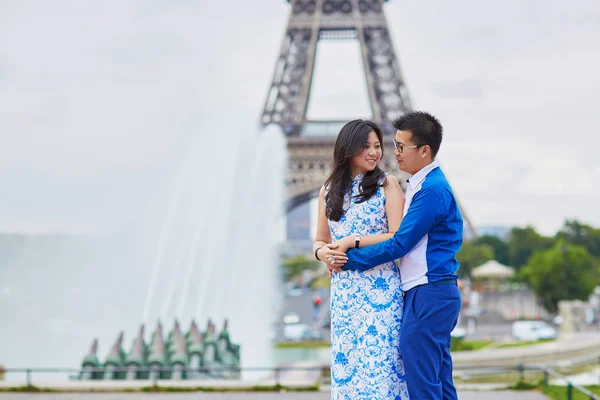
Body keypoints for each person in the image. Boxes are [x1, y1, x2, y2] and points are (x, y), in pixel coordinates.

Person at [331, 111, 463, 400]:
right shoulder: (422, 185)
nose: (395, 153)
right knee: (437, 379)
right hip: (431, 291)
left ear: (424, 151)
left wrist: (349, 259)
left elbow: (399, 243)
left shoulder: (431, 191)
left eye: (402, 147)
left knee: (423, 385)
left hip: (429, 292)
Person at [313, 119, 409, 399]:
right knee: (349, 369)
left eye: (377, 146)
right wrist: (324, 253)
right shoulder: (328, 190)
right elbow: (319, 240)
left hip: (381, 292)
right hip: (345, 294)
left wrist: (351, 241)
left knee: (382, 367)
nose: (374, 152)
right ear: (347, 149)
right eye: (366, 146)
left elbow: (397, 236)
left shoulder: (386, 184)